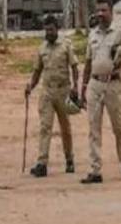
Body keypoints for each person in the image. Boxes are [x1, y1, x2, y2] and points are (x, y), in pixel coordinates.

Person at [80, 0, 121, 183]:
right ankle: (95, 170)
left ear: (111, 12)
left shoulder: (119, 31)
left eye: (104, 10)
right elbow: (88, 62)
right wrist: (83, 87)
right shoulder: (92, 35)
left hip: (112, 85)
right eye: (98, 11)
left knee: (118, 126)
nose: (100, 14)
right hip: (95, 85)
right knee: (93, 128)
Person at [25, 18, 79, 177]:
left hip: (63, 91)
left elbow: (75, 67)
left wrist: (76, 86)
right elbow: (37, 72)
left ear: (57, 29)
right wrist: (30, 86)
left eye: (51, 30)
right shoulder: (41, 49)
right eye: (46, 30)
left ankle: (69, 159)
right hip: (47, 92)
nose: (48, 33)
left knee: (65, 128)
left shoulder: (66, 45)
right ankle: (42, 163)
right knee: (45, 127)